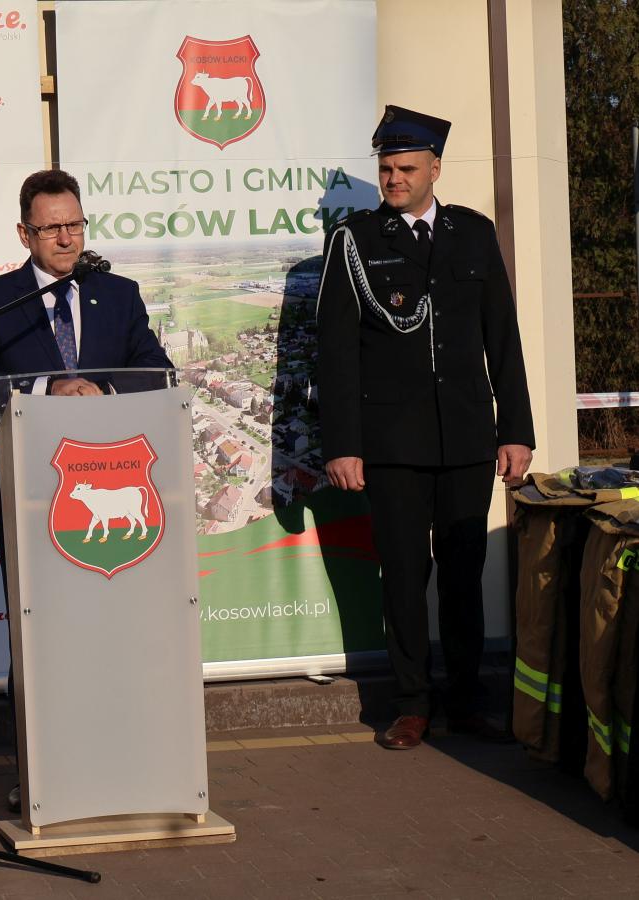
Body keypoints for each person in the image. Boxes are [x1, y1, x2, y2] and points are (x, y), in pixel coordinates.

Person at [316, 105, 535, 750]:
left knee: (465, 575)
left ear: (435, 168)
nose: (394, 179)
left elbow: (503, 338)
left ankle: (465, 701)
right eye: (387, 168)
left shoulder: (473, 234)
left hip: (466, 438)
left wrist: (516, 430)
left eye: (406, 168)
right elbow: (336, 352)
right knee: (405, 577)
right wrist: (344, 445)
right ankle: (412, 703)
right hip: (393, 445)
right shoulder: (355, 241)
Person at [0, 169, 172, 806]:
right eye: (51, 228)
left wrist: (102, 387)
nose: (66, 238)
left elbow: (156, 370)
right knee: (40, 639)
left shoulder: (118, 294)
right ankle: (43, 776)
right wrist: (51, 387)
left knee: (115, 634)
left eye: (74, 224)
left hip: (115, 482)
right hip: (30, 496)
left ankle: (123, 767)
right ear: (24, 233)